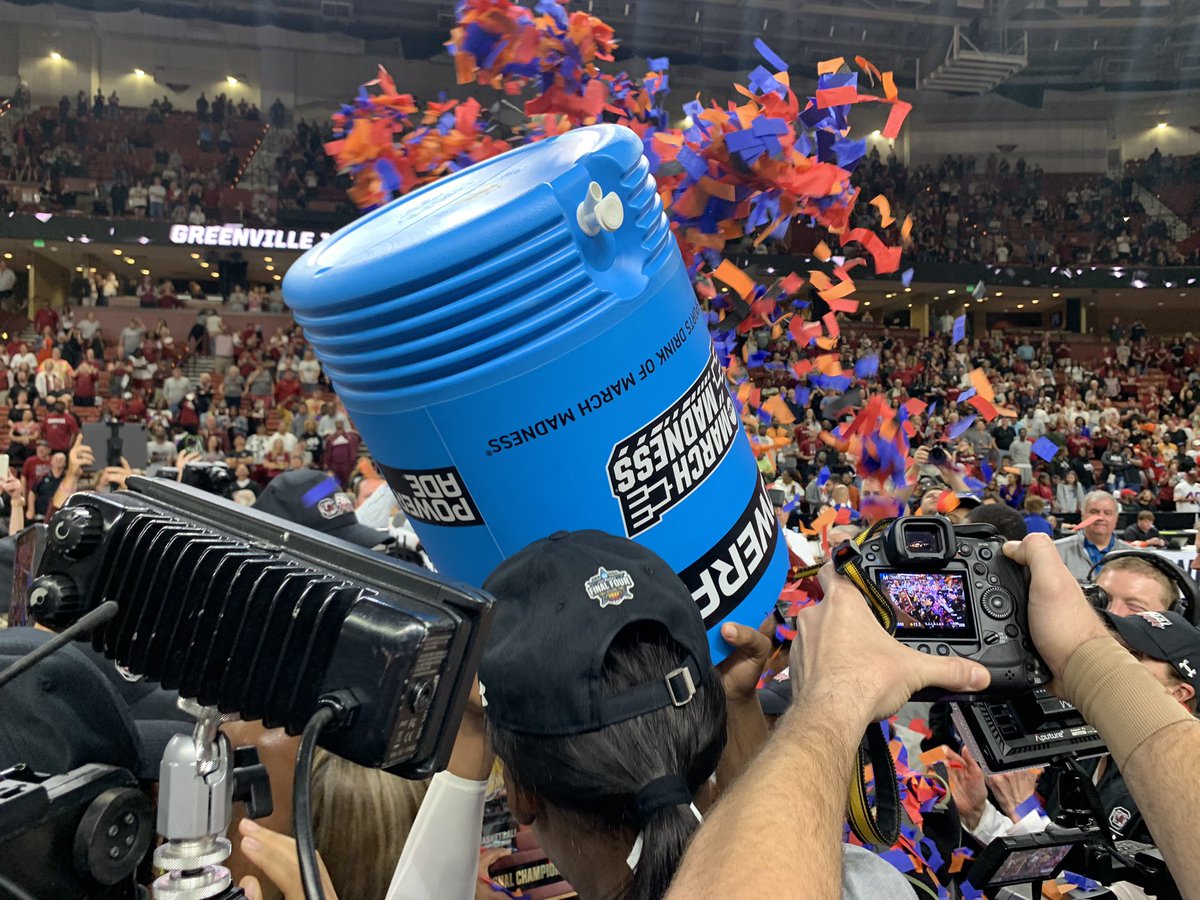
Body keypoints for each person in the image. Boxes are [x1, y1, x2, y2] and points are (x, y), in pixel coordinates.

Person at [666, 535, 1200, 899]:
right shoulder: (1082, 741)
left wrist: (829, 703)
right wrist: (1083, 655)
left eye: (1132, 648)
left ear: (1182, 688)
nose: (1104, 622)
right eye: (1100, 605)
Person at [948, 608, 1199, 856]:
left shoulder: (1182, 785)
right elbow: (1046, 865)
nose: (1112, 660)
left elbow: (1101, 891)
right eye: (1113, 647)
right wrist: (980, 816)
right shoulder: (1088, 741)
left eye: (1133, 655)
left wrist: (1022, 807)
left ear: (1178, 693)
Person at [1054, 490, 1132, 581]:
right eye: (1094, 512)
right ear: (1083, 516)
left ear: (1116, 518)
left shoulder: (1132, 556)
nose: (1101, 518)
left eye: (1107, 513)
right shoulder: (1056, 551)